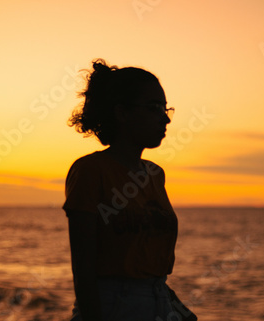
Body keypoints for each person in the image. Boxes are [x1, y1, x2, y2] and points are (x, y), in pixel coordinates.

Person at [63, 59, 194, 321]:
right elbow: (84, 267)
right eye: (154, 108)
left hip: (158, 301)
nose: (165, 117)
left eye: (165, 108)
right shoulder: (91, 171)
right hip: (113, 306)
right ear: (122, 113)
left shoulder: (155, 175)